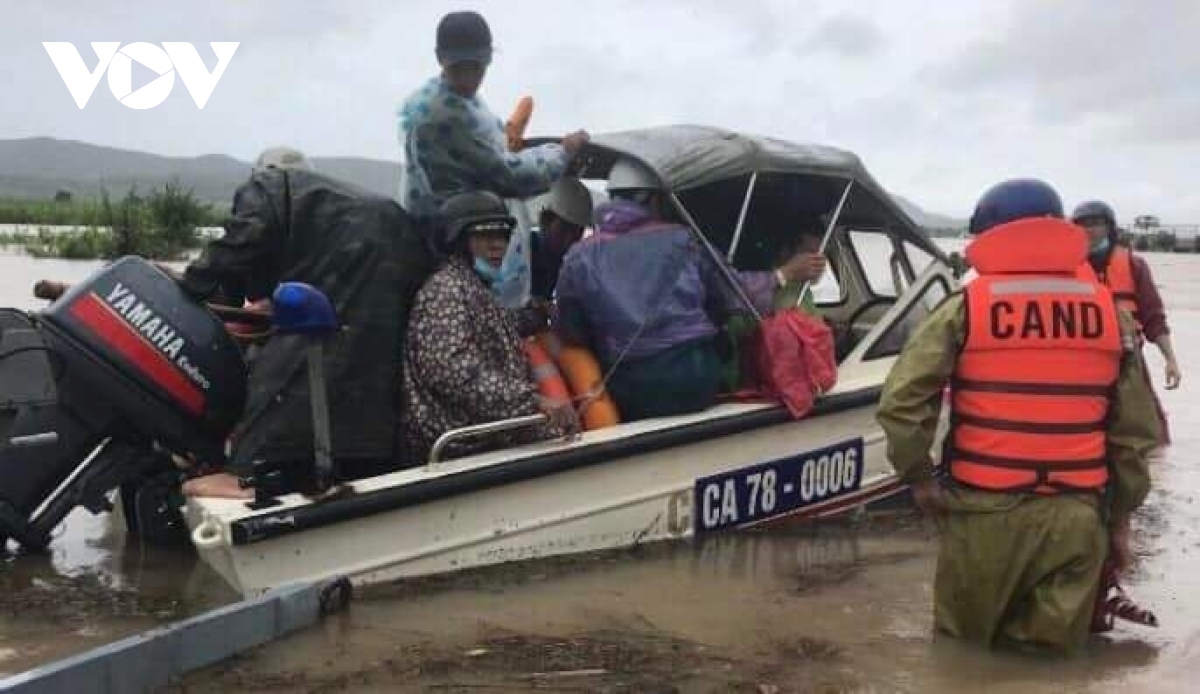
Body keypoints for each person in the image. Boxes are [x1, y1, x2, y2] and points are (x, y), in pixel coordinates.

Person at [876, 178, 1160, 655]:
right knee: (1045, 668)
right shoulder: (1112, 313)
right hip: (1076, 518)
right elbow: (1134, 433)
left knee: (961, 658)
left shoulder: (965, 307)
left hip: (984, 513)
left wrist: (919, 479)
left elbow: (901, 403)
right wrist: (1121, 519)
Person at [178, 147, 437, 483]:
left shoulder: (273, 185)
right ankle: (359, 471)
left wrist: (193, 283)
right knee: (367, 387)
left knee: (290, 381)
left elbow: (241, 245)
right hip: (389, 300)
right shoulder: (357, 207)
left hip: (345, 305)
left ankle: (251, 475)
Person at [554, 158, 828, 421]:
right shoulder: (685, 240)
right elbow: (734, 294)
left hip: (626, 389)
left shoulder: (578, 256)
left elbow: (571, 330)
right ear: (654, 199)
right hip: (693, 381)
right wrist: (784, 274)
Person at [404, 191, 577, 461]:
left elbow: (495, 326)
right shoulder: (446, 289)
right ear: (458, 241)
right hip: (466, 446)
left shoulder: (473, 287)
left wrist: (536, 313)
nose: (498, 246)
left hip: (489, 434)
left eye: (503, 236)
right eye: (485, 236)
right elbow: (453, 372)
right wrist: (533, 402)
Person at [397, 10, 589, 225]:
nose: (469, 79)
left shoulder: (442, 97)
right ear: (440, 58)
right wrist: (562, 152)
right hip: (453, 235)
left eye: (477, 67)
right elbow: (510, 177)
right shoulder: (445, 114)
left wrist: (504, 143)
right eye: (460, 67)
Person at [1073, 200, 1178, 442]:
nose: (1089, 230)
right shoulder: (1064, 266)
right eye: (1082, 224)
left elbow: (1154, 318)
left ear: (1109, 227)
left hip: (1127, 362)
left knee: (1149, 433)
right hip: (1082, 363)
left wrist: (1170, 360)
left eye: (1096, 223)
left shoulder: (1134, 265)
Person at [530, 176, 594, 301]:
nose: (570, 239)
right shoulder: (521, 252)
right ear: (545, 221)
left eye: (578, 232)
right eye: (563, 230)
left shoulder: (566, 263)